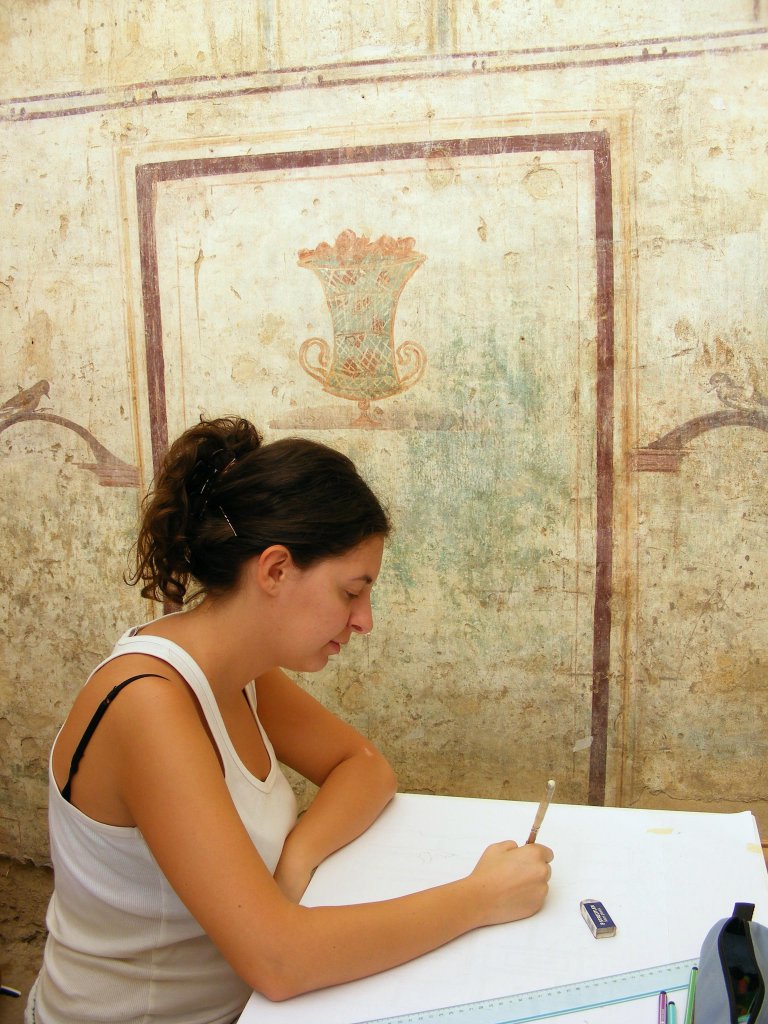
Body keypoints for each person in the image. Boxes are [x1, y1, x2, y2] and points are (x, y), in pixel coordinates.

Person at [27, 415, 553, 1024]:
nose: (365, 621)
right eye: (351, 592)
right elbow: (279, 962)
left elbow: (363, 767)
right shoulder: (148, 703)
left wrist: (295, 859)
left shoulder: (241, 673)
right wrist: (480, 897)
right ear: (275, 569)